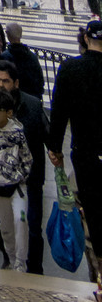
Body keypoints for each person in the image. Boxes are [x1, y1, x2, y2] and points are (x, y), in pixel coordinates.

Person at [0, 59, 46, 271]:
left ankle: (33, 268)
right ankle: (10, 258)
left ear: (16, 83)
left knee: (28, 225)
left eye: (6, 81)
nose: (1, 84)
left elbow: (43, 136)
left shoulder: (31, 105)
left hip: (25, 180)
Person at [49, 18, 102, 267]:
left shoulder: (70, 69)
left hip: (85, 153)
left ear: (85, 39)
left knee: (93, 209)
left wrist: (54, 148)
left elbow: (58, 113)